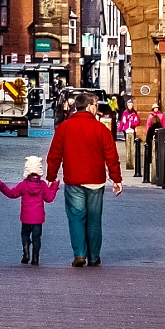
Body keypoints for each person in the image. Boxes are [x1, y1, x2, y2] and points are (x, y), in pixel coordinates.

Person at [44, 90, 123, 267]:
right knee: (94, 219)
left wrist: (51, 176)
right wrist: (116, 179)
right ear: (88, 106)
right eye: (95, 105)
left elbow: (55, 154)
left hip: (73, 179)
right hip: (95, 180)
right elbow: (111, 155)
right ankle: (94, 256)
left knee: (76, 217)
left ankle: (80, 254)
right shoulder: (101, 129)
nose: (97, 108)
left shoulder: (64, 127)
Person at [0, 156, 61, 265]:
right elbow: (49, 198)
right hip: (38, 218)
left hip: (26, 217)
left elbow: (11, 194)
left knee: (25, 234)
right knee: (37, 238)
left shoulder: (23, 185)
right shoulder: (42, 185)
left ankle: (26, 253)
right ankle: (35, 258)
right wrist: (54, 186)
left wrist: (0, 184)